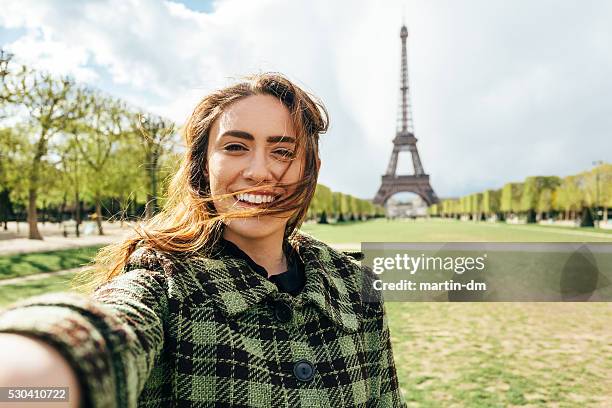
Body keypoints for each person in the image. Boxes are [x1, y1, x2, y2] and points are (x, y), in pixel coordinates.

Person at [0, 73, 405, 407]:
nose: (259, 170)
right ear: (202, 166)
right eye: (235, 146)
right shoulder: (165, 285)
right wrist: (35, 365)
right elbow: (111, 326)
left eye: (282, 151)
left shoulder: (357, 286)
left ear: (310, 168)